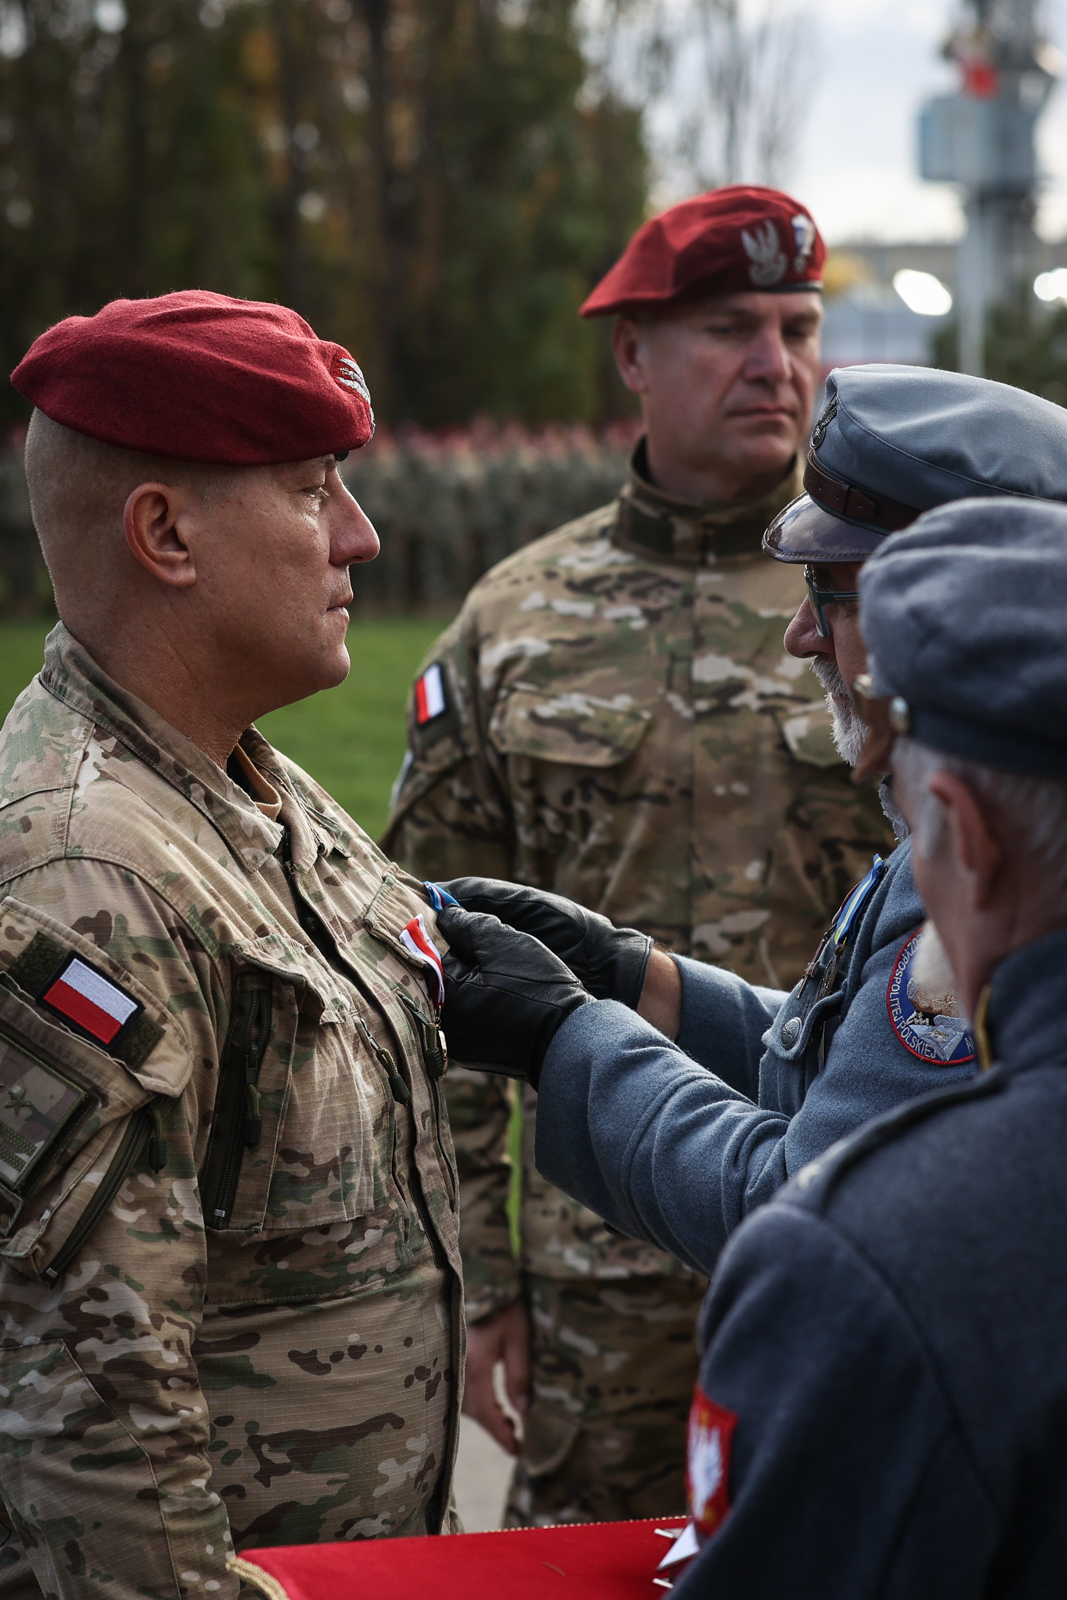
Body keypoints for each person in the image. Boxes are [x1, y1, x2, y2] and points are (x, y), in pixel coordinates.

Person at [381, 186, 894, 1526]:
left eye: (795, 327)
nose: (772, 364)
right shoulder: (513, 622)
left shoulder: (889, 605)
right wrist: (480, 1279)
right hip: (597, 1267)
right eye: (726, 329)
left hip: (846, 1238)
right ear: (630, 355)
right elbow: (419, 961)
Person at [0, 292, 461, 1600]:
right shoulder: (82, 879)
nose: (360, 536)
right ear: (164, 534)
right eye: (314, 491)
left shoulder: (247, 783)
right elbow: (98, 1433)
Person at [431, 363, 1067, 1284]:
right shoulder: (1010, 801)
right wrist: (636, 981)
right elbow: (854, 1068)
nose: (801, 635)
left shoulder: (990, 857)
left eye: (830, 591)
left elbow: (800, 1206)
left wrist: (562, 1036)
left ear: (954, 607)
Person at [667, 498, 1067, 1594]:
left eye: (909, 820)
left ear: (967, 839)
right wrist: (644, 988)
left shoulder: (866, 1260)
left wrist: (568, 1035)